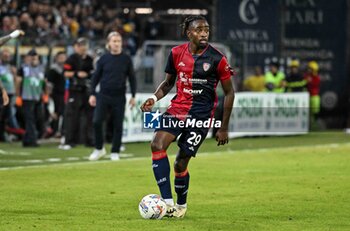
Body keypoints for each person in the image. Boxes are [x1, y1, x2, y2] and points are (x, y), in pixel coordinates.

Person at [140, 16, 235, 218]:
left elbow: (229, 93)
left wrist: (224, 127)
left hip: (201, 115)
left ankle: (181, 205)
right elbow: (167, 83)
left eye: (206, 30)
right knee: (157, 145)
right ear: (189, 33)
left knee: (180, 163)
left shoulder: (218, 59)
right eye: (199, 30)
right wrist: (153, 98)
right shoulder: (175, 53)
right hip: (177, 109)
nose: (204, 33)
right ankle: (167, 203)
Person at [88, 31, 136, 161]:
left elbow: (132, 78)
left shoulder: (126, 59)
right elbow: (95, 77)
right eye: (114, 41)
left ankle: (115, 151)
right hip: (103, 95)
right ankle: (99, 148)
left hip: (119, 96)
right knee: (97, 121)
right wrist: (92, 94)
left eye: (119, 41)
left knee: (117, 125)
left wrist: (133, 96)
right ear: (109, 43)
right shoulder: (103, 59)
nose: (116, 43)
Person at [60, 37, 94, 150]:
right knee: (72, 116)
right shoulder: (71, 59)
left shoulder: (89, 59)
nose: (83, 48)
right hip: (74, 90)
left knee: (89, 116)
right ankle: (69, 141)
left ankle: (89, 140)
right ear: (77, 47)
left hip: (86, 90)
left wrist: (87, 75)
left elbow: (92, 73)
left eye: (85, 46)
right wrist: (76, 73)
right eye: (81, 46)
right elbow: (65, 73)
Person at [17, 49, 47, 147]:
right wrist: (18, 96)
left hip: (38, 97)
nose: (33, 58)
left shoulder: (42, 68)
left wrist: (45, 94)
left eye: (35, 56)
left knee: (38, 118)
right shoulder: (23, 68)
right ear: (28, 58)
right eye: (31, 56)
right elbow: (18, 82)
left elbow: (45, 83)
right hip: (27, 97)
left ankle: (26, 139)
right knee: (30, 119)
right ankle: (32, 140)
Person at [46, 51, 67, 137]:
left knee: (63, 113)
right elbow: (49, 84)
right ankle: (53, 131)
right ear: (56, 59)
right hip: (56, 94)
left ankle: (61, 131)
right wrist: (48, 95)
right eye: (60, 57)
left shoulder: (66, 69)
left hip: (65, 94)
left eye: (64, 57)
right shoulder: (53, 70)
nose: (62, 59)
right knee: (56, 113)